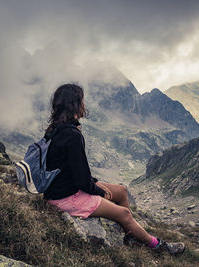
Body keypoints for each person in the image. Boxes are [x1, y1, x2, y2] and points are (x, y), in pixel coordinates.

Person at [43, 83, 185, 255]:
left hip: (66, 188)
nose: (84, 105)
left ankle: (131, 236)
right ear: (75, 104)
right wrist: (101, 193)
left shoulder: (56, 129)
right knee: (124, 213)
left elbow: (72, 171)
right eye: (81, 101)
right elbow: (81, 180)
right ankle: (159, 247)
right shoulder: (72, 135)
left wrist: (95, 185)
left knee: (122, 191)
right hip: (65, 197)